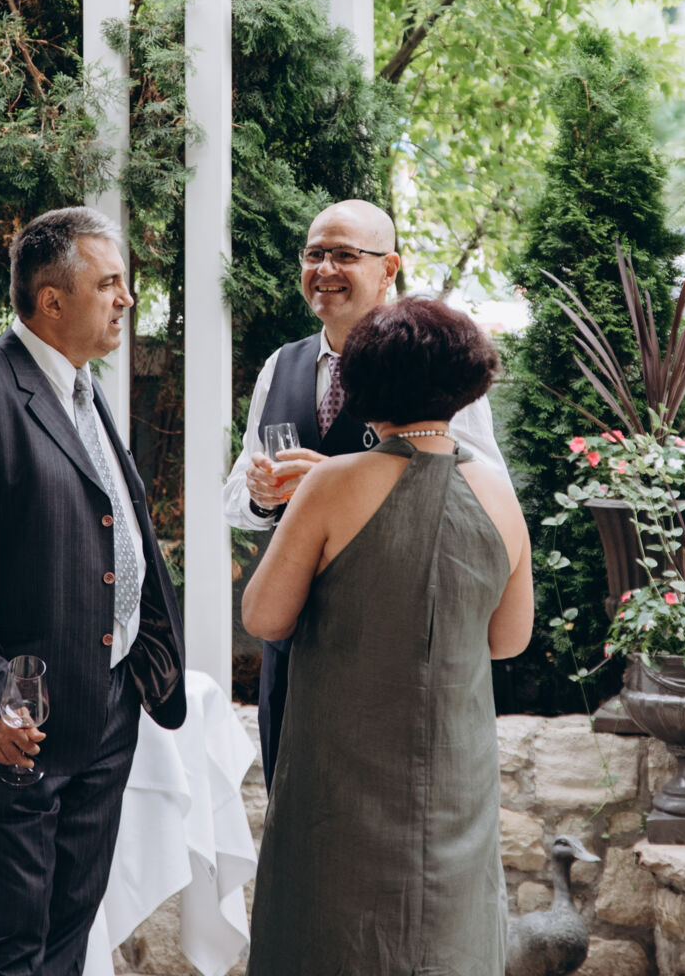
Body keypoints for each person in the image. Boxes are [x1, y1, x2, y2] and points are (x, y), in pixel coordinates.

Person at [0, 206, 187, 976]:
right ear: (52, 300)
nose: (127, 298)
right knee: (14, 942)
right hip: (19, 722)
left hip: (107, 711)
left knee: (69, 932)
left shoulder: (84, 388)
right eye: (110, 283)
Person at [240, 298, 533, 976]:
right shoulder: (498, 491)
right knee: (448, 938)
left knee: (330, 939)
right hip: (454, 774)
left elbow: (264, 617)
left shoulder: (332, 483)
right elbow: (510, 639)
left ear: (362, 384)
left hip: (341, 776)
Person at [222, 198, 505, 779]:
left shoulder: (432, 366)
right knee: (288, 795)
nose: (324, 269)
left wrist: (338, 486)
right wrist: (258, 495)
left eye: (345, 255)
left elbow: (481, 491)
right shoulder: (281, 365)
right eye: (314, 255)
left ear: (388, 268)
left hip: (389, 644)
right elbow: (235, 500)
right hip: (290, 639)